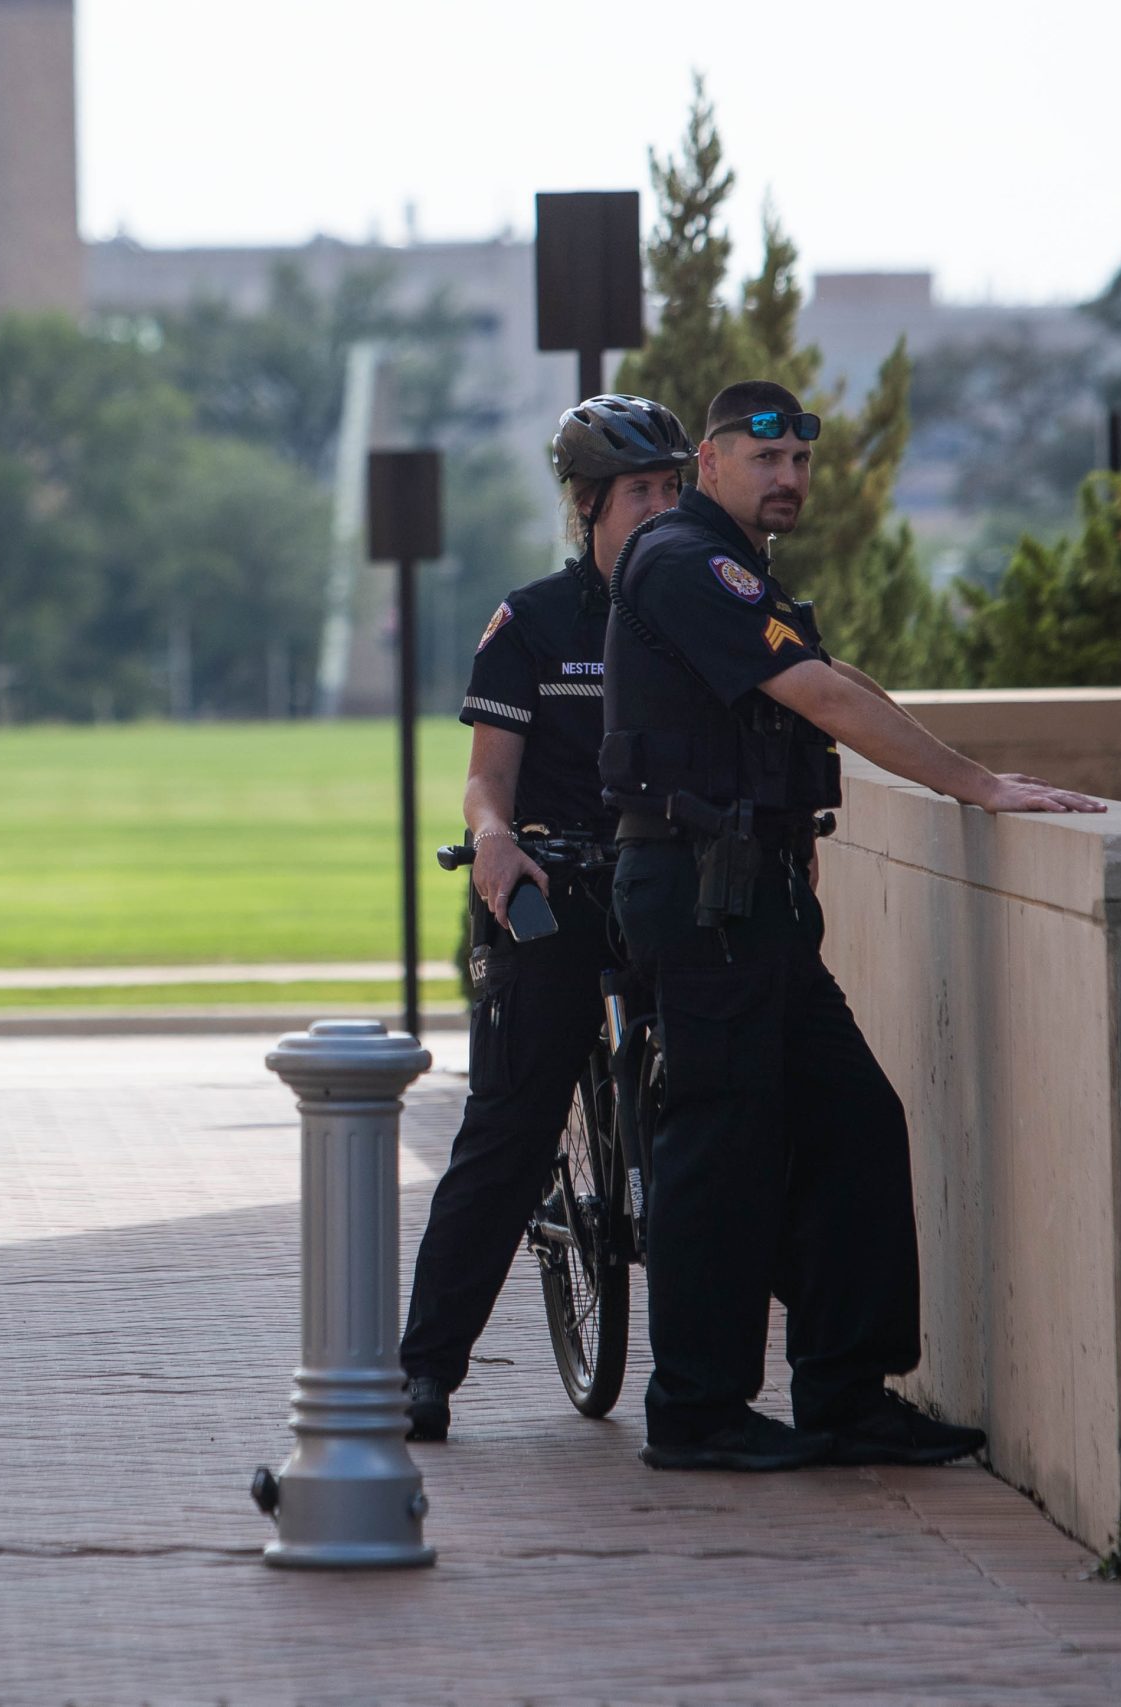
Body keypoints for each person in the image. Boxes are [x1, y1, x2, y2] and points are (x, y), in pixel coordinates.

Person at [603, 378, 1105, 1473]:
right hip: (703, 895)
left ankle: (845, 1393)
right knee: (719, 1151)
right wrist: (976, 787)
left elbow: (836, 677)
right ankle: (696, 1409)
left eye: (799, 464)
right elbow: (821, 701)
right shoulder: (687, 560)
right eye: (762, 459)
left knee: (853, 1129)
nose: (786, 480)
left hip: (752, 896)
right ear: (711, 464)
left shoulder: (735, 572)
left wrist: (970, 767)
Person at [398, 395, 693, 1442]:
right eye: (640, 493)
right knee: (511, 1127)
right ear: (586, 507)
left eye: (672, 489)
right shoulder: (532, 622)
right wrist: (495, 842)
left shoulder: (697, 605)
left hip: (667, 888)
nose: (661, 510)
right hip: (558, 889)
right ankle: (425, 1369)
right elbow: (488, 780)